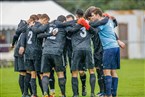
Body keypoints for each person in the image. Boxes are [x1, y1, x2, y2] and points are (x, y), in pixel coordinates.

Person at [89, 7, 121, 97]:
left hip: (108, 49)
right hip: (115, 47)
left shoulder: (102, 23)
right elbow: (114, 26)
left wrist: (87, 26)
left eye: (93, 15)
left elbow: (95, 31)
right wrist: (114, 19)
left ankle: (108, 95)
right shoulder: (109, 21)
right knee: (113, 71)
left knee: (106, 71)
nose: (92, 17)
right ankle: (114, 94)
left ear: (98, 15)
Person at [37, 15, 67, 97]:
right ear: (63, 21)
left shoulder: (48, 25)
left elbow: (39, 35)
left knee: (46, 74)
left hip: (46, 51)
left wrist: (49, 34)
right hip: (56, 52)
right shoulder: (64, 28)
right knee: (60, 74)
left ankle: (46, 93)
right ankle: (63, 94)